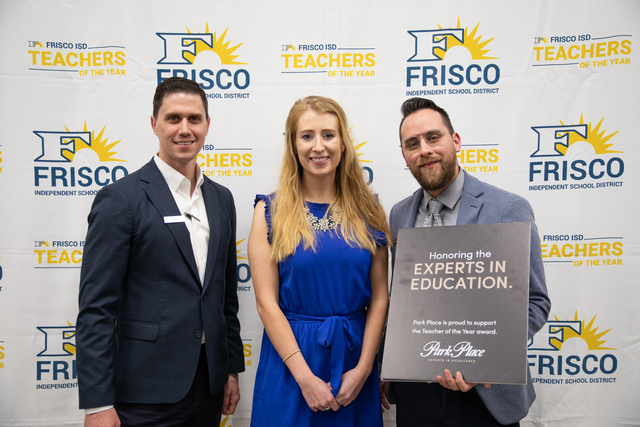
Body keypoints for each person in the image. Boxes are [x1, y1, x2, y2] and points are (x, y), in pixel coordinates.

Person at [76, 77, 245, 427]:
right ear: (154, 124)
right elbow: (96, 309)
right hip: (144, 391)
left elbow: (225, 298)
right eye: (173, 118)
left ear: (207, 124)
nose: (185, 129)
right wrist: (97, 403)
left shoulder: (222, 199)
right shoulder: (121, 199)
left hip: (209, 387)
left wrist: (230, 369)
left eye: (194, 119)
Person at [381, 97, 551, 427]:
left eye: (433, 137)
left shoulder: (507, 209)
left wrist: (486, 358)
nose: (424, 150)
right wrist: (385, 363)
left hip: (484, 393)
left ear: (455, 141)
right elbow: (401, 301)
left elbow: (536, 302)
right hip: (416, 392)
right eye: (412, 144)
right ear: (404, 155)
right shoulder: (399, 214)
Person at [247, 96, 391, 426]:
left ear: (343, 143)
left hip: (354, 362)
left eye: (328, 135)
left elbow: (380, 297)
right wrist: (304, 377)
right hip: (291, 365)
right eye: (307, 136)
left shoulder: (370, 210)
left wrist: (364, 369)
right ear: (293, 145)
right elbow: (266, 303)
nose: (318, 146)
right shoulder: (269, 211)